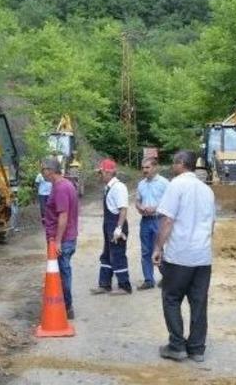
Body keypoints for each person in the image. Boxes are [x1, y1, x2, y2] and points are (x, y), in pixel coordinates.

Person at [152, 150, 216, 363]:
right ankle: (197, 348)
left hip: (180, 255)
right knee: (199, 302)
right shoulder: (207, 190)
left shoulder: (176, 185)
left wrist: (158, 248)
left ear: (181, 163)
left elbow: (168, 221)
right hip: (203, 256)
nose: (172, 166)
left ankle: (177, 346)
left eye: (174, 162)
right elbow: (212, 225)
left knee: (171, 298)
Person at [41, 157, 79, 319]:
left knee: (63, 272)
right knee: (62, 271)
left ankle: (67, 307)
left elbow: (63, 215)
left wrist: (57, 241)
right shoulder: (61, 185)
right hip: (64, 238)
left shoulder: (61, 188)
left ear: (50, 171)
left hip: (63, 240)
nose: (42, 172)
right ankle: (64, 305)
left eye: (43, 169)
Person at [90, 158, 133, 295]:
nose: (99, 175)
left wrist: (118, 229)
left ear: (108, 172)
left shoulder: (118, 187)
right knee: (107, 255)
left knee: (118, 255)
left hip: (116, 226)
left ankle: (125, 286)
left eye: (101, 172)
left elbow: (123, 209)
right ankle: (105, 284)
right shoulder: (108, 187)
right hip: (108, 226)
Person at [135, 157, 169, 290]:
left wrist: (155, 208)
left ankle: (166, 277)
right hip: (145, 221)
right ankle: (148, 280)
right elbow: (137, 200)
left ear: (155, 168)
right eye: (143, 168)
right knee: (145, 250)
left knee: (159, 249)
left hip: (159, 220)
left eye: (147, 167)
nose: (144, 170)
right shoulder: (141, 184)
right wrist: (139, 207)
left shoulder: (164, 183)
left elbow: (170, 202)